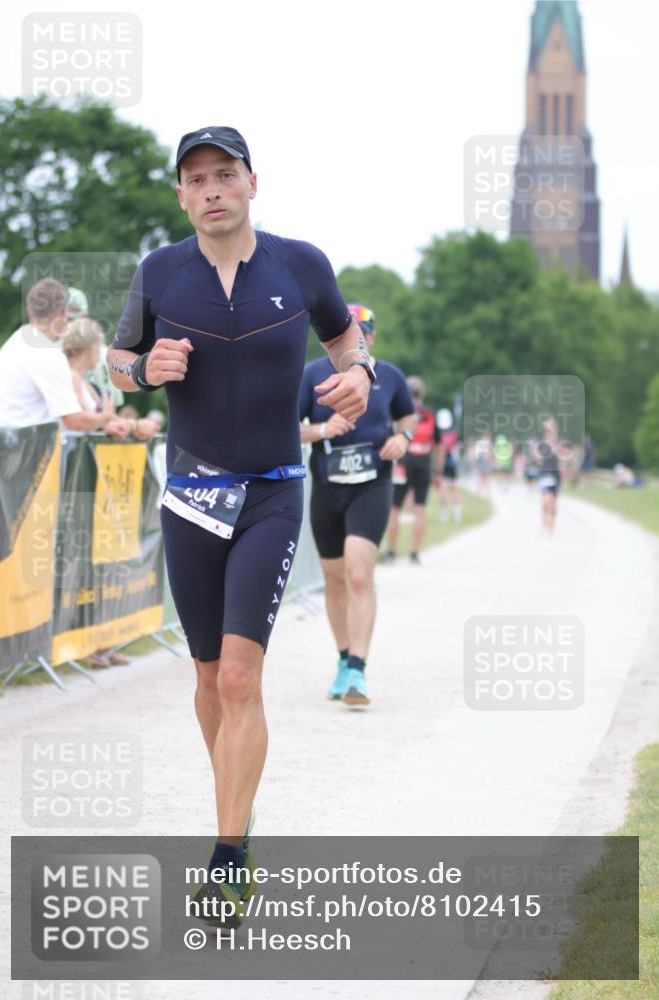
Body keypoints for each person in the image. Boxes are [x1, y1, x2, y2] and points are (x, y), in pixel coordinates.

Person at [106, 126, 371, 927]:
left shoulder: (301, 264)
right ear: (182, 195)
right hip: (189, 492)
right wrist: (144, 370)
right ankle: (238, 803)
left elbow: (343, 338)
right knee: (204, 677)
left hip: (273, 489)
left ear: (253, 182)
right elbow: (119, 360)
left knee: (239, 677)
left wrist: (354, 375)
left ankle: (227, 859)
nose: (213, 188)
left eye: (226, 174)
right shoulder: (159, 272)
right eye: (197, 178)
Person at [299, 304, 416, 704]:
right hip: (329, 485)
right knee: (334, 578)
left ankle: (358, 671)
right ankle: (344, 659)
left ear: (372, 337)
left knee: (359, 575)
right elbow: (288, 429)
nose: (358, 338)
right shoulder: (313, 375)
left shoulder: (391, 377)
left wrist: (405, 441)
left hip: (373, 484)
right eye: (351, 331)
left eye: (363, 332)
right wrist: (321, 429)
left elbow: (407, 420)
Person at [0, 278, 123, 435]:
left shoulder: (14, 343)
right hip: (23, 451)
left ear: (29, 310)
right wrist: (106, 417)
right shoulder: (48, 354)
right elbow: (74, 421)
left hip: (2, 447)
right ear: (63, 313)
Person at [385, 376, 442, 561]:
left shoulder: (401, 413)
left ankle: (392, 552)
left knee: (395, 508)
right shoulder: (430, 415)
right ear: (422, 395)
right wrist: (438, 472)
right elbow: (440, 446)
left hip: (402, 462)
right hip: (424, 463)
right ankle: (415, 553)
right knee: (420, 508)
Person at [62, 319, 132, 440]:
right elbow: (87, 419)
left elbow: (109, 419)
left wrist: (135, 425)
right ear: (91, 348)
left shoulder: (84, 383)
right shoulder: (72, 377)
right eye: (99, 346)